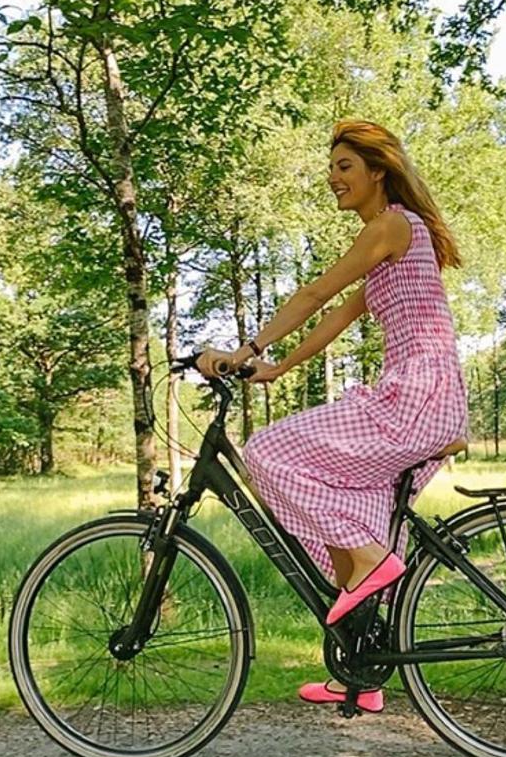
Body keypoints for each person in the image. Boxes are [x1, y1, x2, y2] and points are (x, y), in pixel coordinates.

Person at [197, 118, 468, 713]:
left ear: (378, 172)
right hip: (424, 396)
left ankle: (375, 564)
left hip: (415, 395)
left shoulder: (392, 225)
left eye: (344, 167)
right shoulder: (392, 242)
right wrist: (275, 367)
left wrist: (246, 350)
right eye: (332, 167)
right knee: (352, 518)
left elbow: (315, 293)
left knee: (267, 452)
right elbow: (338, 318)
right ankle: (362, 676)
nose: (333, 177)